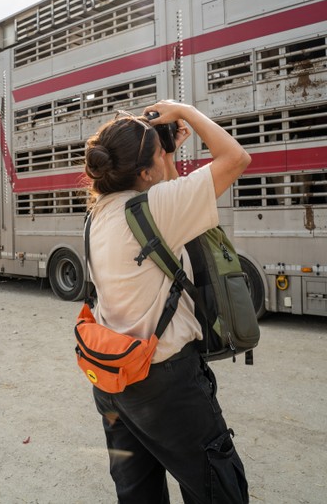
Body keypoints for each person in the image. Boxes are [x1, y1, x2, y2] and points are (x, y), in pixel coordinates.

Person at [83, 99, 252, 504]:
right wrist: (185, 111)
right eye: (159, 154)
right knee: (219, 491)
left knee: (138, 495)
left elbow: (170, 193)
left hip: (114, 382)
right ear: (143, 172)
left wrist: (167, 152)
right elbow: (236, 158)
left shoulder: (99, 213)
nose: (165, 157)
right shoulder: (155, 209)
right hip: (166, 385)